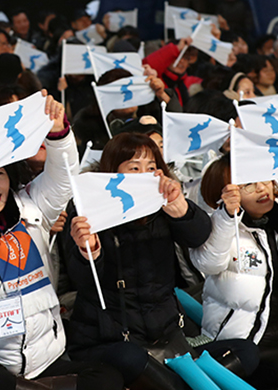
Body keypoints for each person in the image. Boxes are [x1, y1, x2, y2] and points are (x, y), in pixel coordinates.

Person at [0, 93, 125, 390]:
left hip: (44, 360)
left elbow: (63, 177)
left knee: (108, 379)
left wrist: (58, 134)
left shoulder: (31, 206)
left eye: (0, 174)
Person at [64, 132, 259, 389]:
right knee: (129, 357)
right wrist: (90, 251)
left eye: (152, 167)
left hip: (169, 341)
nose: (145, 174)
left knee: (247, 351)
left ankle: (180, 383)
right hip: (110, 342)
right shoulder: (86, 208)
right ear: (112, 171)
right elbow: (80, 279)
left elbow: (199, 236)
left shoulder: (162, 204)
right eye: (134, 167)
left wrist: (180, 207)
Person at [194, 153, 278, 388]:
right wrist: (226, 217)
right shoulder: (220, 230)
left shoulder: (273, 224)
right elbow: (207, 262)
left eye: (264, 178)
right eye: (248, 184)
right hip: (242, 345)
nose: (262, 188)